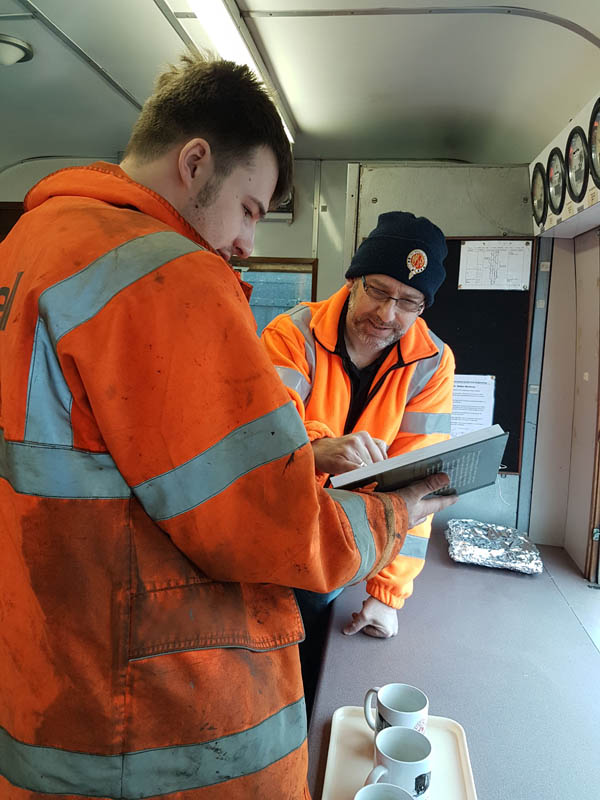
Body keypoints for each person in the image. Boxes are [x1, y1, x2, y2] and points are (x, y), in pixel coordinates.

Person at [0, 58, 457, 799]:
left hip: (48, 669)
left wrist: (385, 587)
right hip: (153, 710)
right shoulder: (166, 276)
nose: (246, 243)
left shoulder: (27, 246)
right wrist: (396, 511)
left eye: (411, 302)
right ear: (194, 163)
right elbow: (270, 523)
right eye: (249, 209)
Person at [261, 212, 455, 701]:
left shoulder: (433, 363)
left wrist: (388, 594)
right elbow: (261, 444)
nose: (388, 314)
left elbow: (419, 488)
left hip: (359, 549)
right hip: (274, 549)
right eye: (379, 291)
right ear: (352, 280)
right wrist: (316, 450)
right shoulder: (291, 335)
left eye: (408, 302)